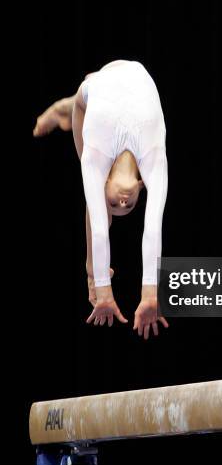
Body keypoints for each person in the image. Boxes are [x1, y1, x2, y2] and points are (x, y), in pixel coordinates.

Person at [33, 59, 169, 339]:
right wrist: (151, 293)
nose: (122, 202)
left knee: (93, 201)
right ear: (141, 186)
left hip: (91, 96)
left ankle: (66, 108)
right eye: (128, 205)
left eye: (115, 204)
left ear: (107, 182)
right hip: (126, 79)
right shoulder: (155, 162)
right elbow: (153, 225)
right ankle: (64, 107)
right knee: (95, 203)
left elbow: (98, 226)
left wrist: (102, 288)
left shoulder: (96, 158)